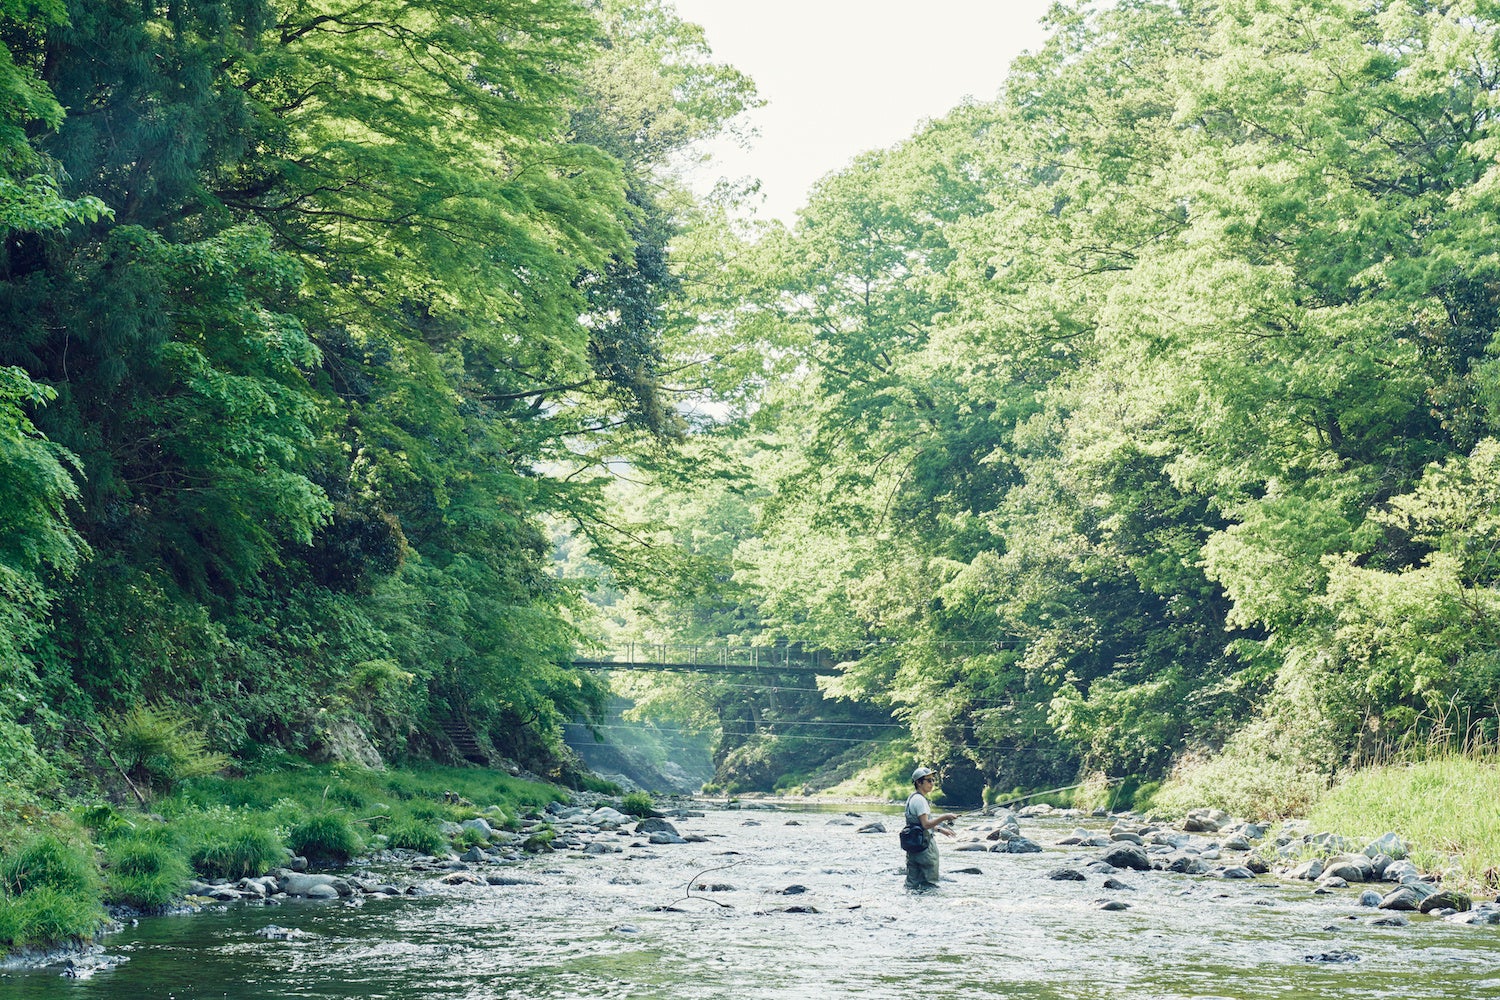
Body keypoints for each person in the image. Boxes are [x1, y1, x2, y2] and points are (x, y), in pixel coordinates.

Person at [904, 765, 958, 890]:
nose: (932, 783)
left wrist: (940, 829)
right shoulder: (920, 800)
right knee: (929, 884)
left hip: (913, 846)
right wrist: (945, 817)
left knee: (911, 884)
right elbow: (926, 824)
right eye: (928, 780)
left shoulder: (912, 798)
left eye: (933, 780)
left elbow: (919, 824)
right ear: (918, 782)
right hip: (925, 847)